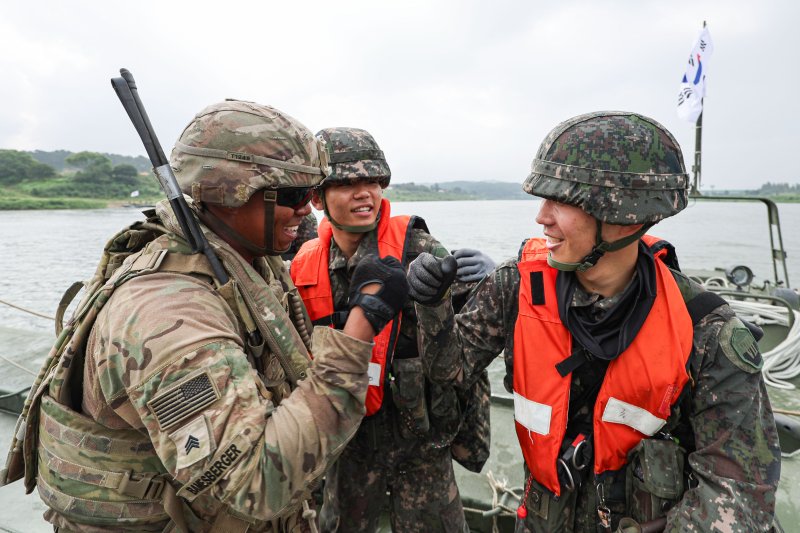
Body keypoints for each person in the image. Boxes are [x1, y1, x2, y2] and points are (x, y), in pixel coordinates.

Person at [3, 101, 410, 532]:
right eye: (293, 196)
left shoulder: (242, 254)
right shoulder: (167, 313)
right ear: (229, 193)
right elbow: (254, 485)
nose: (307, 211)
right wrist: (361, 324)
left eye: (312, 195)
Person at [407, 111, 782, 532]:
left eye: (562, 202)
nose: (542, 217)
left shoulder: (706, 331)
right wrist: (433, 304)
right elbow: (447, 372)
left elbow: (739, 490)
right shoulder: (516, 285)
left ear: (626, 217)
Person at [290, 127, 495, 533]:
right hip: (349, 440)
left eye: (373, 182)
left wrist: (491, 283)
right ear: (317, 197)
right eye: (347, 184)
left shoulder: (418, 248)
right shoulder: (304, 263)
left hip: (419, 440)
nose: (364, 193)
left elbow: (467, 344)